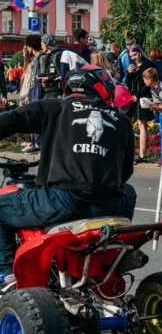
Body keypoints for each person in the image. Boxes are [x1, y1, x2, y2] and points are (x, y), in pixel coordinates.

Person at [0, 66, 136, 283]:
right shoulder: (121, 120)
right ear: (102, 88)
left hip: (64, 202)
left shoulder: (55, 106)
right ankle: (114, 252)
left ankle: (6, 275)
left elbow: (9, 120)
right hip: (111, 205)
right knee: (127, 191)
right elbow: (125, 173)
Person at [126, 45, 155, 164]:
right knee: (128, 123)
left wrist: (137, 95)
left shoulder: (147, 64)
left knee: (142, 124)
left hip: (142, 98)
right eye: (131, 56)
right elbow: (128, 82)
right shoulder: (133, 66)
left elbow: (148, 84)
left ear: (140, 53)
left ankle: (142, 154)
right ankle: (129, 152)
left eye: (135, 55)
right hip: (132, 98)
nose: (134, 58)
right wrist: (129, 73)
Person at [142, 67, 162, 166]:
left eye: (144, 79)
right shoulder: (153, 86)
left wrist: (156, 107)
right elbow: (156, 99)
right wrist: (152, 104)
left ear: (150, 80)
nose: (144, 81)